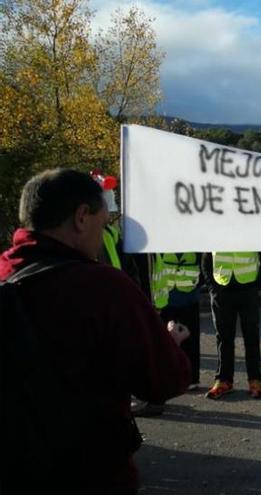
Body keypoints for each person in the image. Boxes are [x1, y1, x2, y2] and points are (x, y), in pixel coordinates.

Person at [0, 168, 190, 494]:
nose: (103, 238)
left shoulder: (5, 273)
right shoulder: (104, 287)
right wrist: (170, 343)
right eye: (103, 225)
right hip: (90, 470)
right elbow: (164, 380)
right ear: (81, 217)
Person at [134, 252, 203, 418]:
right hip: (166, 297)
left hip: (188, 295)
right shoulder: (162, 243)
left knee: (190, 341)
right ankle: (168, 382)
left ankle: (191, 379)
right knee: (164, 345)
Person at [202, 250, 261, 399]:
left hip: (247, 289)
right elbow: (206, 257)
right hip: (222, 289)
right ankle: (223, 380)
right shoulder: (215, 228)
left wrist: (258, 285)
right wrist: (212, 287)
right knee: (223, 337)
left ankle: (255, 380)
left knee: (251, 337)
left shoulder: (252, 227)